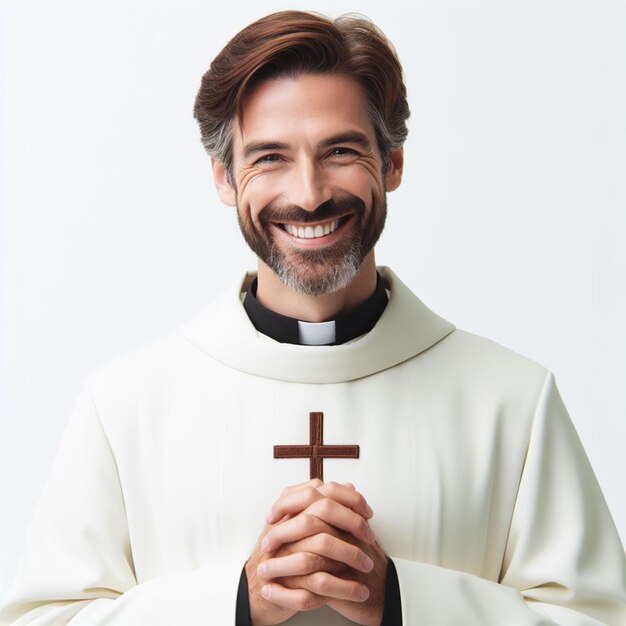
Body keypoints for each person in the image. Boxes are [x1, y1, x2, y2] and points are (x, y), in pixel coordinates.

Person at [1, 9, 625, 626]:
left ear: (393, 164)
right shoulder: (126, 406)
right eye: (270, 157)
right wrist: (238, 603)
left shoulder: (512, 401)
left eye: (341, 150)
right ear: (224, 176)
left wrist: (403, 602)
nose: (308, 193)